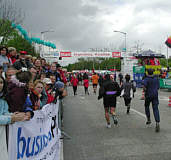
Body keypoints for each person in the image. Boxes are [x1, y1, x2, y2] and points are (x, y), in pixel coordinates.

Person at [0, 76, 30, 159]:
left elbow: (4, 112)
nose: (0, 85)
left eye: (1, 82)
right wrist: (11, 118)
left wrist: (14, 115)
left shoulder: (3, 100)